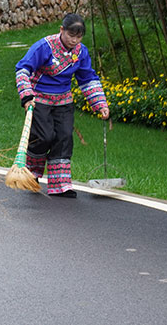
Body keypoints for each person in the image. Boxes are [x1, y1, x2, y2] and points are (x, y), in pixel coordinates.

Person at [15, 13, 110, 198]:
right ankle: (31, 175)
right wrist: (27, 97)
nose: (74, 40)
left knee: (64, 137)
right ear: (61, 30)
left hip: (64, 101)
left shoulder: (81, 53)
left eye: (78, 36)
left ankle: (60, 185)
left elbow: (88, 78)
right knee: (43, 137)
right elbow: (23, 69)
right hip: (39, 100)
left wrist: (100, 104)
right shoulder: (44, 47)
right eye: (71, 35)